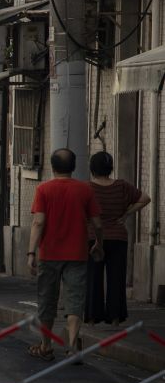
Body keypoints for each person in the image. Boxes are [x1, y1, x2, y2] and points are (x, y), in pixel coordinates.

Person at [27, 149, 104, 360]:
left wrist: (31, 252)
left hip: (50, 254)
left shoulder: (43, 189)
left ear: (52, 167)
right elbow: (97, 223)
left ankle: (46, 345)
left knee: (47, 299)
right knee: (75, 300)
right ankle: (71, 346)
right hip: (77, 254)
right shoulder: (85, 190)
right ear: (74, 166)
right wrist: (99, 242)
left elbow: (38, 222)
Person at [86, 151, 150, 325]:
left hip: (92, 237)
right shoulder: (122, 186)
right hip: (118, 238)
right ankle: (115, 317)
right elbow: (145, 198)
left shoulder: (88, 189)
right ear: (110, 168)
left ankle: (92, 316)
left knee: (93, 278)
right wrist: (126, 213)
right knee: (116, 278)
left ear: (92, 169)